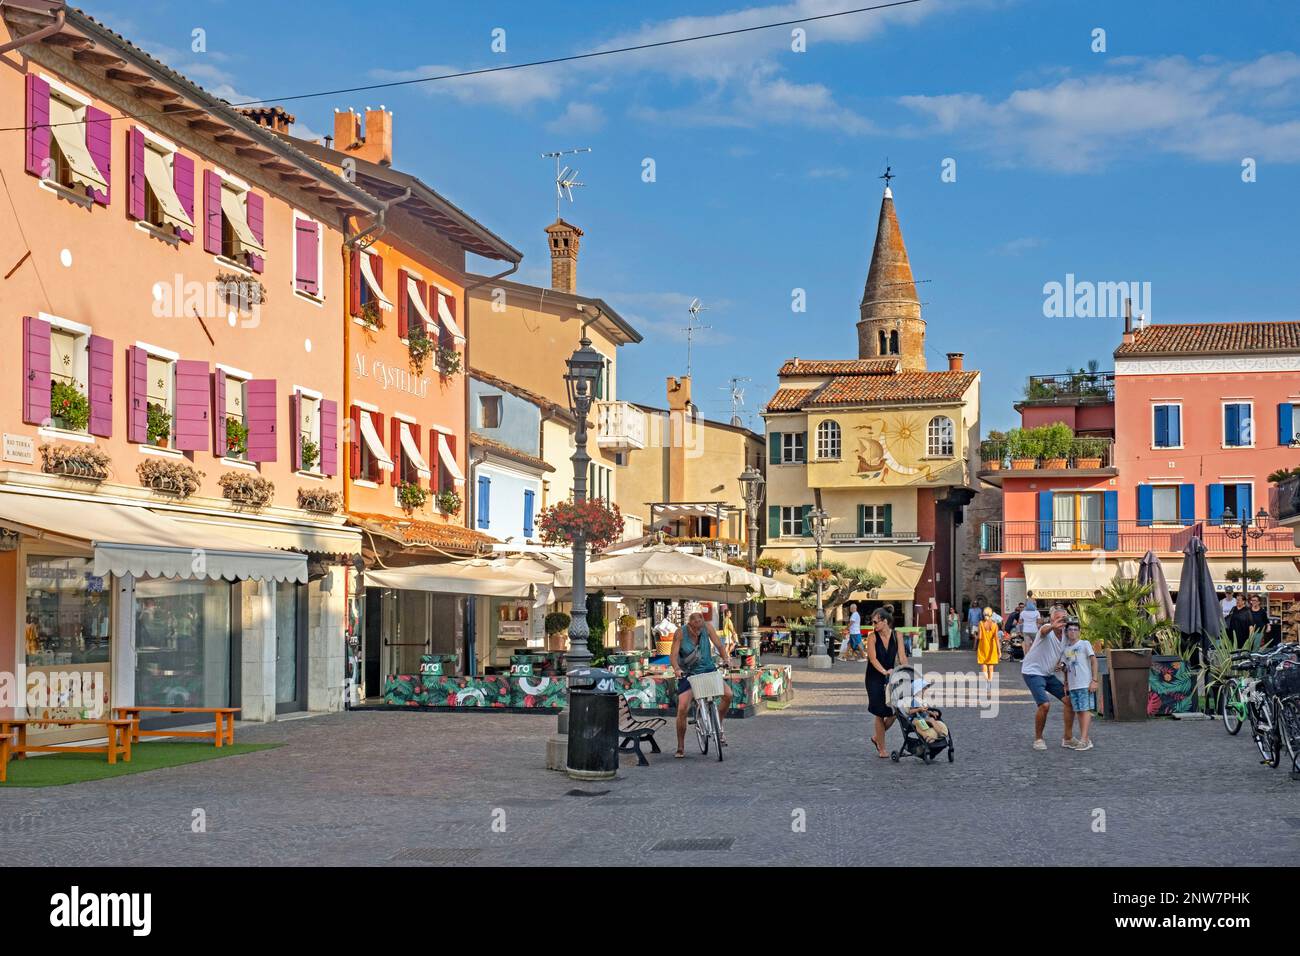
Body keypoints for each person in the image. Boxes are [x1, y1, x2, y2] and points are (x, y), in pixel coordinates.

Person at [670, 611, 733, 758]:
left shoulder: (708, 628)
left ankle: (719, 725)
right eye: (695, 628)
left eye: (700, 627)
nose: (698, 631)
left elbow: (719, 645)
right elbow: (673, 655)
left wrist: (726, 659)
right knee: (682, 708)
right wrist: (677, 669)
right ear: (689, 625)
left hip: (709, 670)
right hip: (689, 674)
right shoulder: (680, 633)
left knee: (729, 694)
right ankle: (680, 746)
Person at [1022, 604, 1075, 751]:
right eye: (1057, 618)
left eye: (1063, 619)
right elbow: (1044, 631)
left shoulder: (1066, 636)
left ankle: (1068, 738)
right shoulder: (1046, 629)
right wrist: (1052, 625)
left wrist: (1062, 666)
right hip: (1032, 672)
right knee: (1044, 705)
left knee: (1070, 701)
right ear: (1051, 620)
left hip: (1048, 674)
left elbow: (1067, 656)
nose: (1061, 621)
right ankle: (1038, 739)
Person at [866, 607, 908, 758]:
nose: (873, 625)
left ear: (885, 621)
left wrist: (906, 672)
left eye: (876, 622)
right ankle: (882, 748)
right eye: (872, 622)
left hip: (892, 676)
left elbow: (902, 657)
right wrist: (884, 671)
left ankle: (878, 737)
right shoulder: (872, 637)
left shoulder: (898, 635)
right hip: (874, 677)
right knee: (879, 712)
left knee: (895, 711)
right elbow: (872, 659)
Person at [1060, 618, 1098, 751]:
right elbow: (1065, 666)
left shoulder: (1084, 644)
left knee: (1085, 709)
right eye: (1070, 629)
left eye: (1075, 629)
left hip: (1085, 682)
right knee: (1079, 711)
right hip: (1073, 684)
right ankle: (1085, 738)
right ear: (1066, 632)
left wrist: (1094, 680)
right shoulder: (1065, 649)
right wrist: (1065, 682)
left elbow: (1093, 661)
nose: (1073, 632)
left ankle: (1084, 739)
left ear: (1079, 632)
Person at [899, 676, 950, 743]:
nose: (927, 690)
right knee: (923, 722)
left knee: (931, 719)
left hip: (924, 718)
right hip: (915, 719)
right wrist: (918, 709)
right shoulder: (913, 701)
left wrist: (931, 712)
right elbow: (909, 711)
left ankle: (940, 733)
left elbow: (926, 709)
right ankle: (928, 736)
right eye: (924, 689)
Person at [976, 607, 1000, 680]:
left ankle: (987, 681)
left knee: (984, 666)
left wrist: (975, 635)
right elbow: (996, 638)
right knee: (991, 667)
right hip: (992, 647)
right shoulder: (995, 625)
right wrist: (999, 651)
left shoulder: (981, 623)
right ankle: (990, 681)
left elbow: (979, 637)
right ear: (991, 614)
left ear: (983, 614)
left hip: (983, 647)